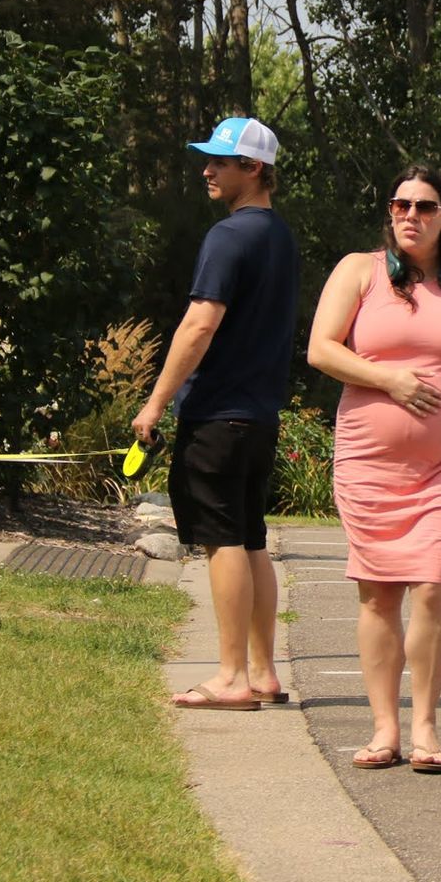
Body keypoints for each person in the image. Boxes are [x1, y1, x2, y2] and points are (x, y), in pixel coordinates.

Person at [307, 164, 441, 771]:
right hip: (369, 461)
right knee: (377, 594)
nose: (410, 215)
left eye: (424, 206)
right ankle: (384, 729)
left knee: (435, 588)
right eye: (400, 205)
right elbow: (321, 349)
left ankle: (425, 727)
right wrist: (388, 379)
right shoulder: (357, 272)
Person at [134, 116, 300, 711]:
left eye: (219, 162)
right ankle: (263, 672)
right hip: (258, 418)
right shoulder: (280, 237)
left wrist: (155, 401)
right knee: (251, 539)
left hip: (217, 416)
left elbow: (199, 324)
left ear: (252, 169)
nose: (206, 170)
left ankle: (231, 677)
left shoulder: (228, 237)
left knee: (223, 541)